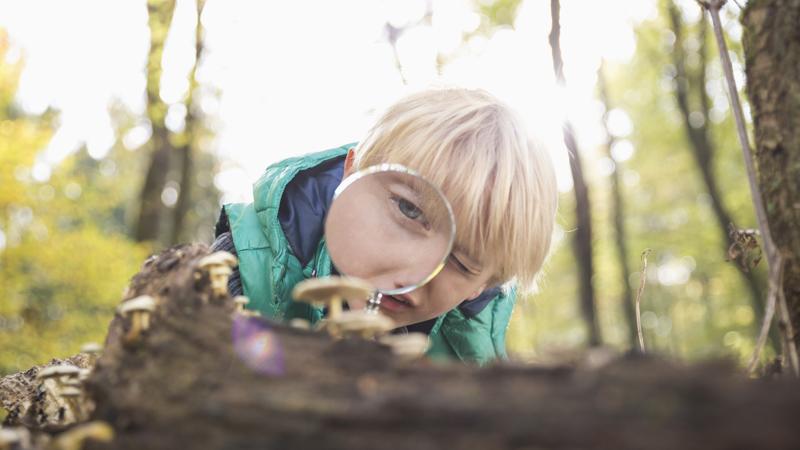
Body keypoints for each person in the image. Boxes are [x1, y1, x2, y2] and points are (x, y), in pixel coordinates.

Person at [212, 88, 558, 366]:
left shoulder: (471, 363)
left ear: (484, 285)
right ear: (350, 174)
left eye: (462, 263)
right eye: (408, 209)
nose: (413, 274)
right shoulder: (238, 272)